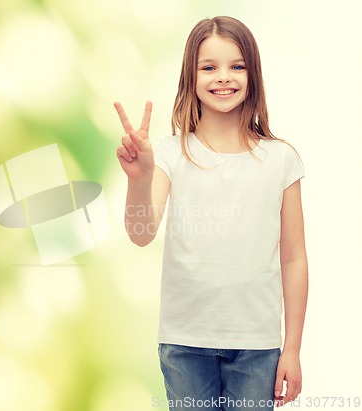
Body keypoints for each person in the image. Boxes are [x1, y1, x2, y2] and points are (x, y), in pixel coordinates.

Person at [113, 16, 308, 411]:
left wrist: (292, 350)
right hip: (185, 343)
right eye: (209, 67)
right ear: (191, 75)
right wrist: (140, 177)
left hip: (257, 347)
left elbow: (294, 257)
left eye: (237, 66)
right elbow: (141, 232)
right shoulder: (170, 153)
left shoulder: (281, 159)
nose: (224, 77)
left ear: (253, 74)